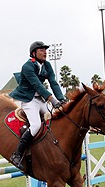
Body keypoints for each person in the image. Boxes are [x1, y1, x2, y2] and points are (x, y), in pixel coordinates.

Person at [9, 41, 65, 170]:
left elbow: (53, 83)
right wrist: (51, 99)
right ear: (34, 53)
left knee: (55, 121)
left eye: (45, 50)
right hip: (28, 100)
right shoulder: (27, 66)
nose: (45, 52)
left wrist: (61, 100)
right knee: (36, 125)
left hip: (40, 100)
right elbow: (37, 85)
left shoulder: (47, 65)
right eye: (41, 50)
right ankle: (17, 154)